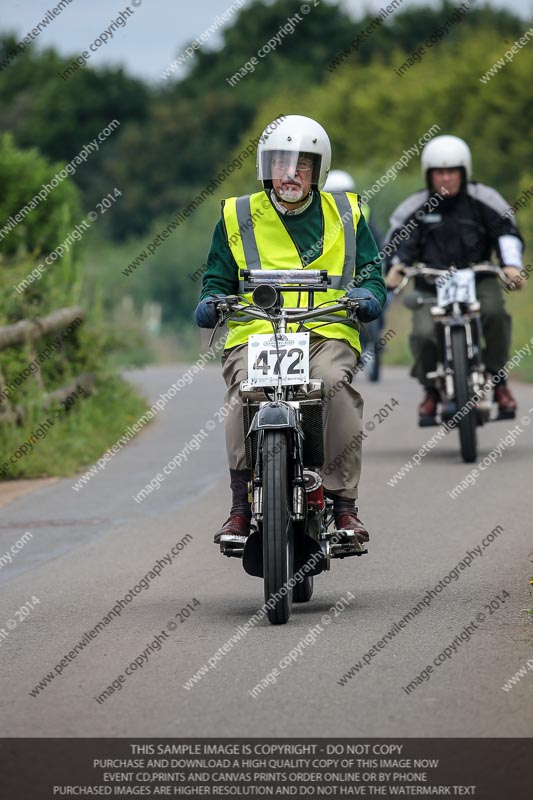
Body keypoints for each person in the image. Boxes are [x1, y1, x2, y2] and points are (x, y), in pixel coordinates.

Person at [195, 115, 386, 546]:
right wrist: (209, 302)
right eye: (280, 162)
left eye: (301, 164)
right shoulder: (237, 214)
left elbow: (372, 272)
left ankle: (344, 507)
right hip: (256, 332)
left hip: (325, 328)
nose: (289, 173)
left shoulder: (347, 212)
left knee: (334, 384)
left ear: (318, 169)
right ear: (266, 166)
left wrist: (370, 295)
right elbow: (216, 279)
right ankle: (240, 509)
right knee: (244, 391)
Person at [384, 134, 525, 423]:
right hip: (430, 284)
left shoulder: (484, 199)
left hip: (478, 277)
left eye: (452, 172)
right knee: (423, 333)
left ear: (464, 172)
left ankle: (499, 383)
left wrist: (511, 265)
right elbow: (400, 243)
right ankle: (431, 390)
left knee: (495, 313)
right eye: (439, 172)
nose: (445, 178)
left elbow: (506, 233)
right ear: (428, 175)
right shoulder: (414, 206)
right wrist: (397, 267)